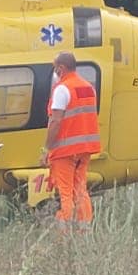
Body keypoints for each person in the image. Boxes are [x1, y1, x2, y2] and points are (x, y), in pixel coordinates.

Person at [39, 51, 99, 228]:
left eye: (55, 67)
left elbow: (56, 121)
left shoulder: (62, 89)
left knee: (65, 193)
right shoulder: (88, 87)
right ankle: (84, 229)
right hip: (85, 149)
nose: (54, 70)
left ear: (61, 68)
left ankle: (63, 233)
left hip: (65, 151)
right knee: (80, 190)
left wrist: (46, 150)